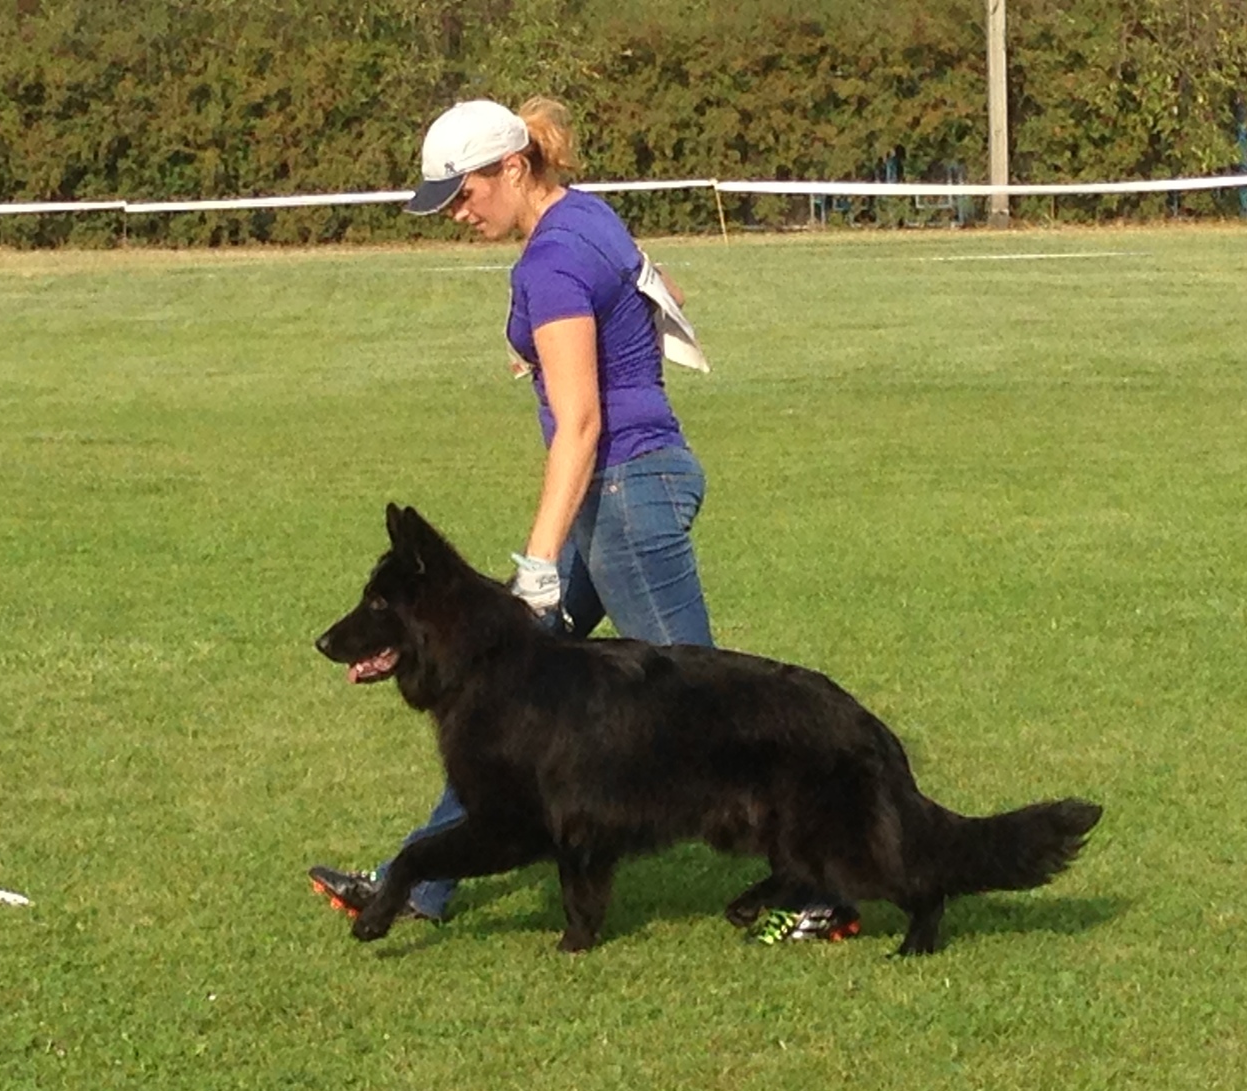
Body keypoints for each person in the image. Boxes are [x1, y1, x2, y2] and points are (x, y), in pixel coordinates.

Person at [308, 97, 857, 944]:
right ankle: (419, 882)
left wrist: (536, 562)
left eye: (464, 195)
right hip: (628, 485)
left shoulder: (552, 263)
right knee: (497, 697)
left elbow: (582, 424)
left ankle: (829, 881)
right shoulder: (588, 218)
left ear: (513, 168)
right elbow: (663, 294)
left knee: (716, 709)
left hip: (622, 495)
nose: (459, 214)